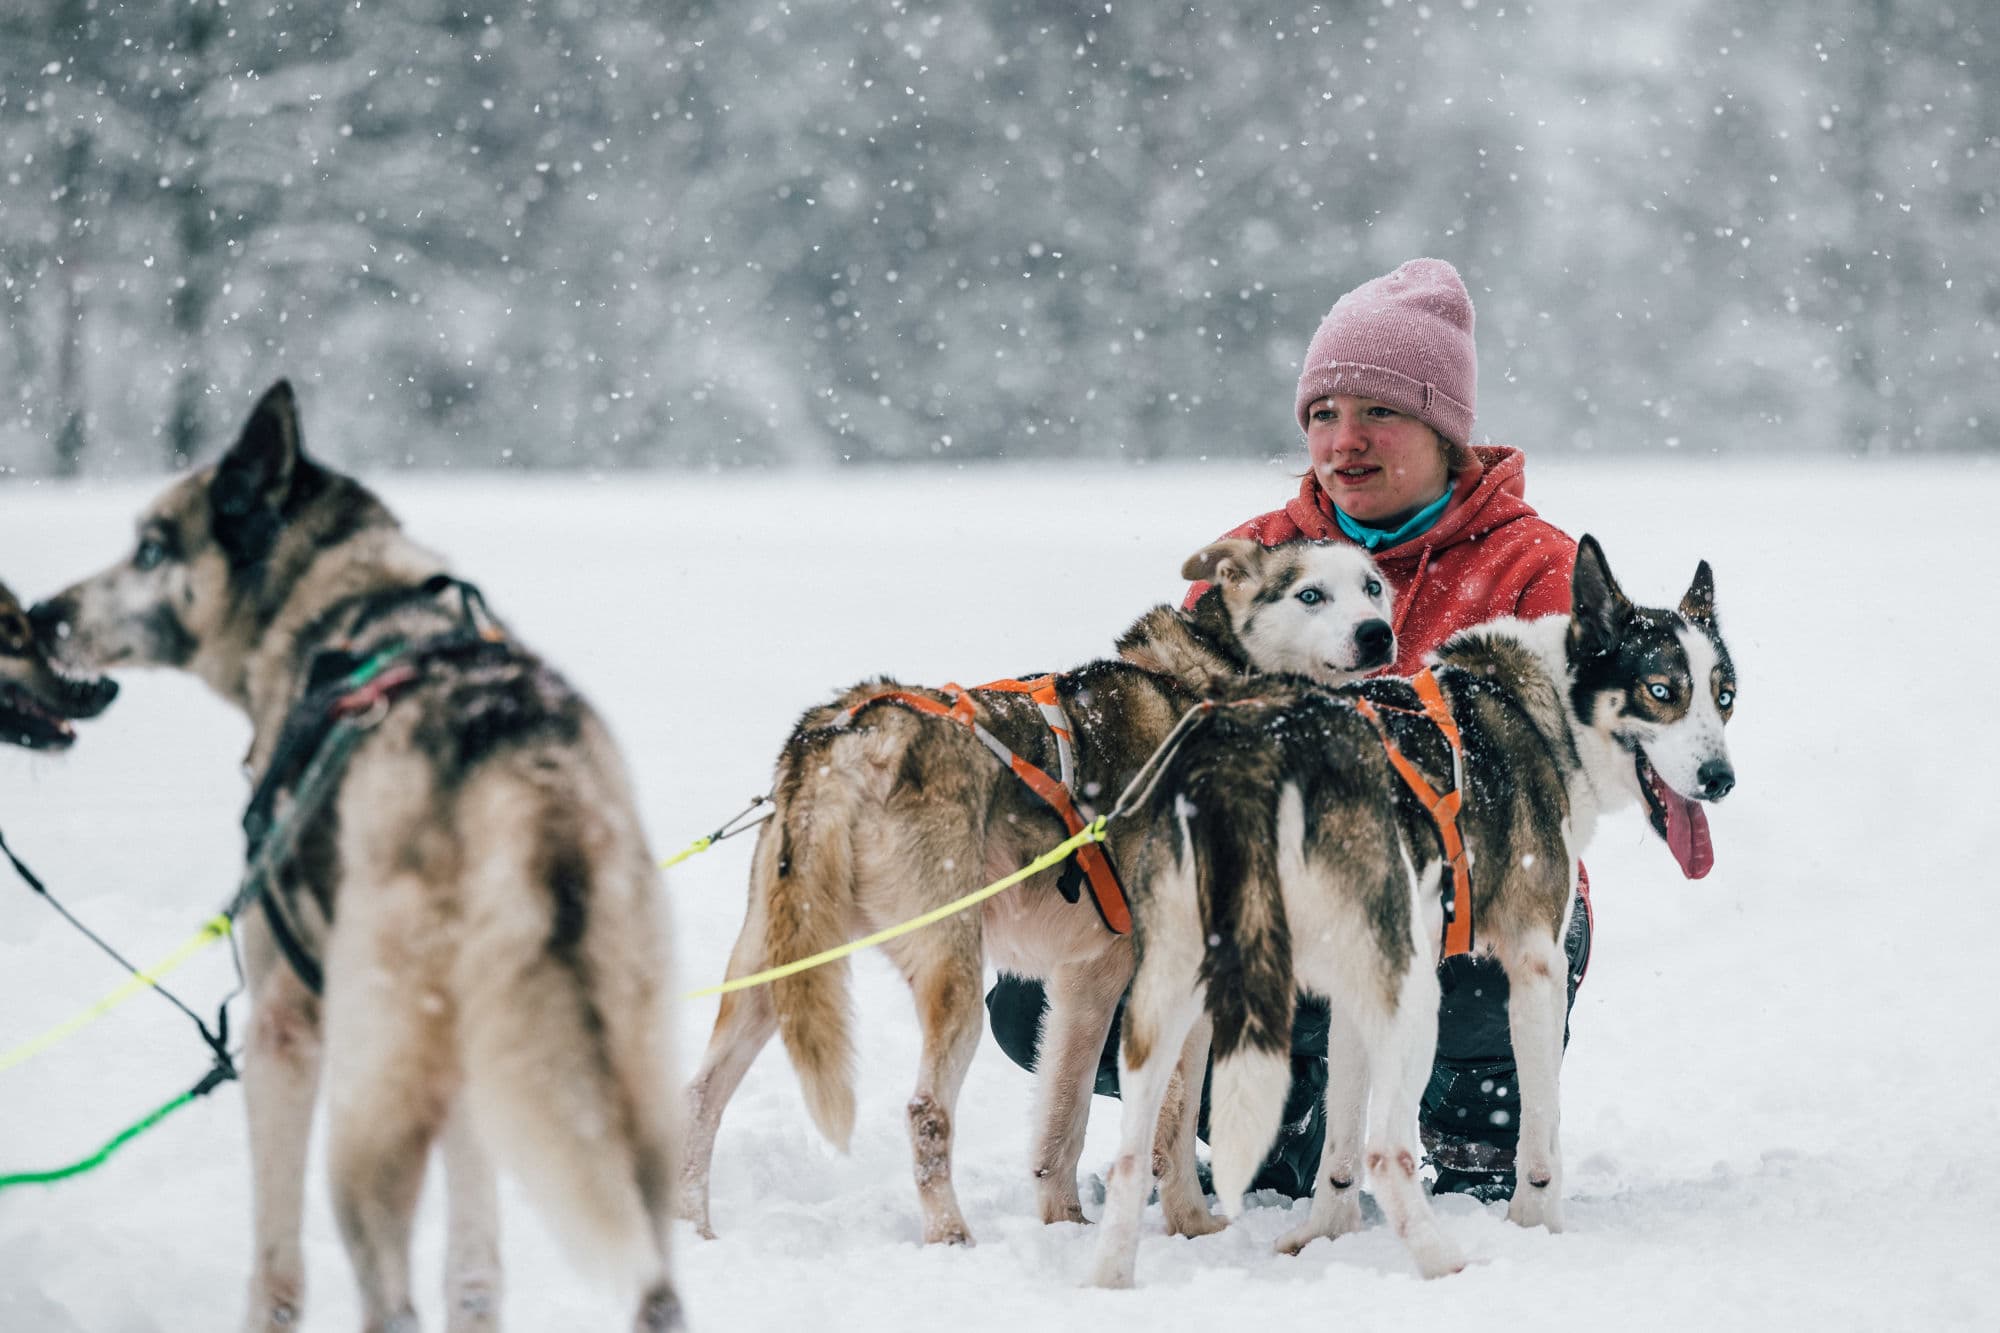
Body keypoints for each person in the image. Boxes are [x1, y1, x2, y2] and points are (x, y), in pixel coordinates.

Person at [986, 257, 1592, 1202]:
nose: (1343, 442)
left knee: (1476, 930)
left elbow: (1574, 769)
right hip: (1256, 896)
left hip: (1457, 886)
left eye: (1378, 414)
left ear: (1443, 426)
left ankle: (1471, 1113)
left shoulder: (1533, 567)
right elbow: (1161, 743)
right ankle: (1271, 1104)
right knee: (1037, 983)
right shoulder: (1257, 556)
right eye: (1322, 414)